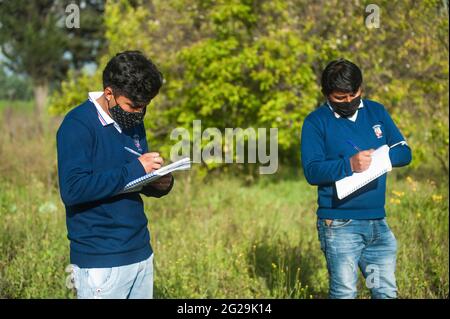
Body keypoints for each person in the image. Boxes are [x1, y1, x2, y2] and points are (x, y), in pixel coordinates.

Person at [56, 50, 174, 299]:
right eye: (133, 105)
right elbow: (73, 190)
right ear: (109, 93)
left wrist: (158, 183)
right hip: (101, 262)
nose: (139, 113)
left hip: (141, 251)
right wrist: (136, 168)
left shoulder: (133, 120)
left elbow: (129, 179)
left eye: (145, 106)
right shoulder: (77, 124)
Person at [301, 58, 412, 299]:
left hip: (377, 223)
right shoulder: (316, 122)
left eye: (354, 94)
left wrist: (382, 157)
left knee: (385, 292)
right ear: (327, 94)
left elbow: (404, 152)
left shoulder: (377, 112)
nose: (349, 101)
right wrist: (349, 165)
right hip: (340, 225)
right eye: (340, 98)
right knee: (344, 294)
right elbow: (312, 171)